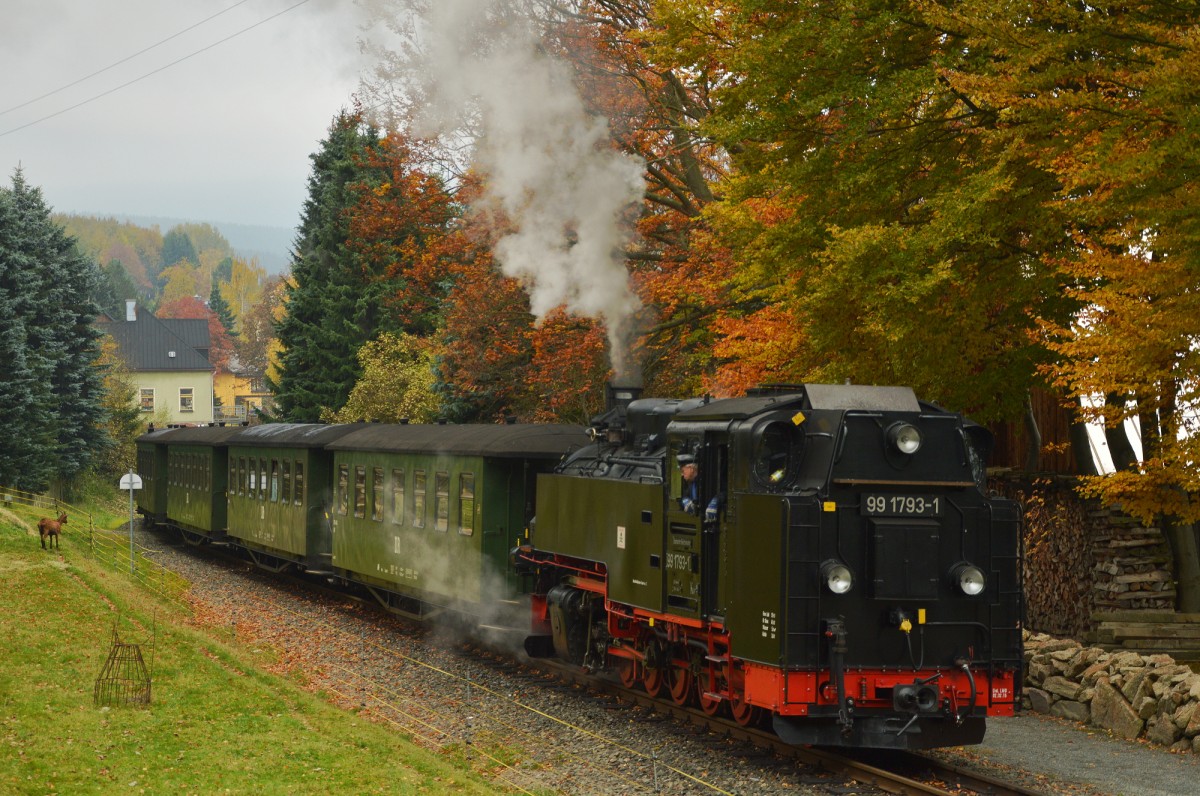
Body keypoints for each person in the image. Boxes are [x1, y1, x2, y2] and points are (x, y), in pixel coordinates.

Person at [679, 455, 721, 521]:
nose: (682, 474)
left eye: (682, 470)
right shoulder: (692, 484)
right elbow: (683, 496)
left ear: (691, 469)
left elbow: (724, 492)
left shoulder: (708, 479)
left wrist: (716, 500)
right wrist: (685, 501)